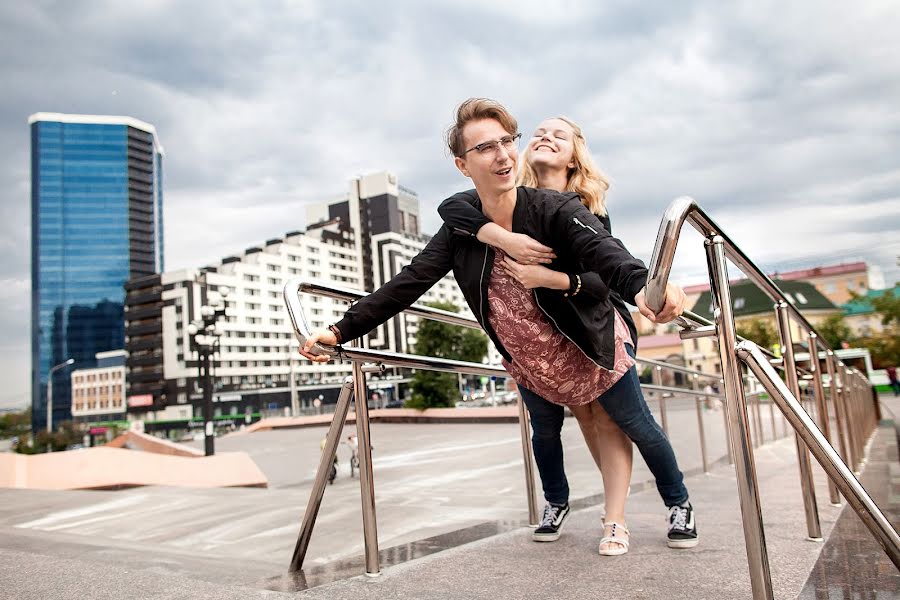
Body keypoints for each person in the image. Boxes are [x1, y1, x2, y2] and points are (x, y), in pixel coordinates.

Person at [300, 98, 697, 553]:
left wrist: (651, 287)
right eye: (486, 148)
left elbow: (610, 258)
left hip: (588, 341)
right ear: (463, 164)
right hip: (529, 358)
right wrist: (339, 330)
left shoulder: (558, 209)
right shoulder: (461, 227)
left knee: (631, 426)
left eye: (508, 142)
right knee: (545, 432)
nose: (504, 154)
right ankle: (557, 501)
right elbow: (407, 283)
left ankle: (671, 504)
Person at [437, 115, 695, 553]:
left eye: (560, 135)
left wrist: (552, 279)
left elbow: (609, 276)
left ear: (577, 154)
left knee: (629, 421)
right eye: (538, 132)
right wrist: (499, 235)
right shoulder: (506, 201)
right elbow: (451, 209)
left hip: (595, 330)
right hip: (549, 341)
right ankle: (596, 508)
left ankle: (672, 503)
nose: (545, 138)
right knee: (581, 423)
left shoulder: (587, 209)